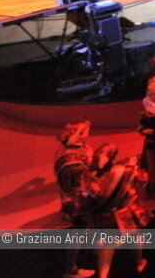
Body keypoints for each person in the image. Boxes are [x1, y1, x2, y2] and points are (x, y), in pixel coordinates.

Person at [86, 144, 151, 278]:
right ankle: (139, 263)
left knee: (108, 246)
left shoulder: (92, 178)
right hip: (124, 213)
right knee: (134, 236)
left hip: (105, 215)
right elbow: (143, 179)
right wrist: (133, 168)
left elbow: (89, 198)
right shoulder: (125, 170)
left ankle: (103, 275)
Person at [54, 118, 97, 278]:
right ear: (78, 134)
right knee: (78, 233)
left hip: (82, 197)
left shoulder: (81, 148)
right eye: (84, 130)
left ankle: (91, 249)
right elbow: (77, 181)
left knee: (86, 227)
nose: (88, 131)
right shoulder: (71, 158)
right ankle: (71, 270)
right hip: (78, 200)